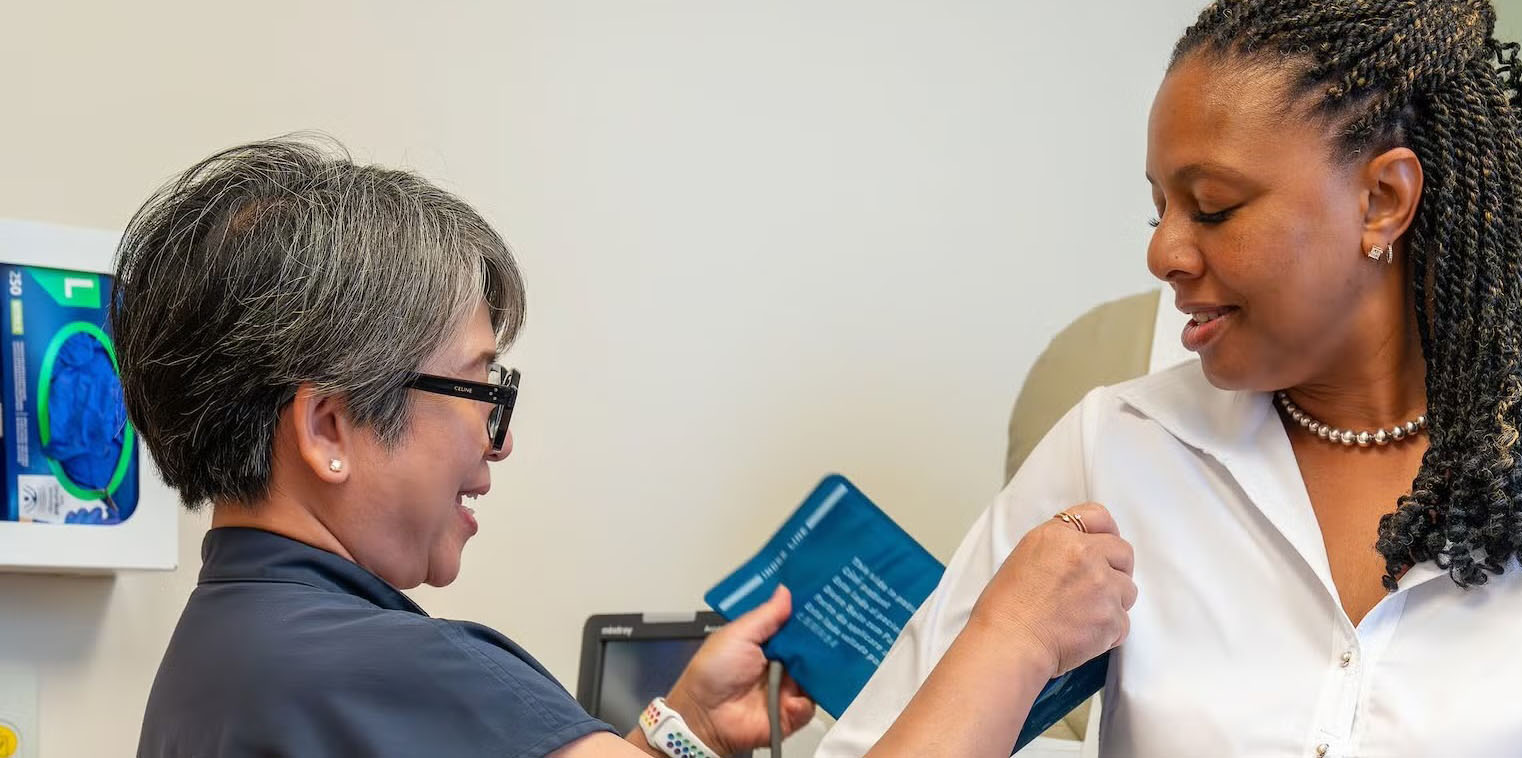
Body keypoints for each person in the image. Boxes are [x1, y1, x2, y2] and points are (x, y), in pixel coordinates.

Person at [818, 2, 1522, 756]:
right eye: (1157, 207)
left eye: (1213, 207)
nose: (1162, 252)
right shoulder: (1113, 449)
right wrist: (1011, 639)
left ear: (1382, 199)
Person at [124, 137, 1138, 758]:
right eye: (478, 386)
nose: (494, 439)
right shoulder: (382, 671)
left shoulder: (229, 650)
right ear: (328, 426)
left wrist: (681, 725)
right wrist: (1013, 636)